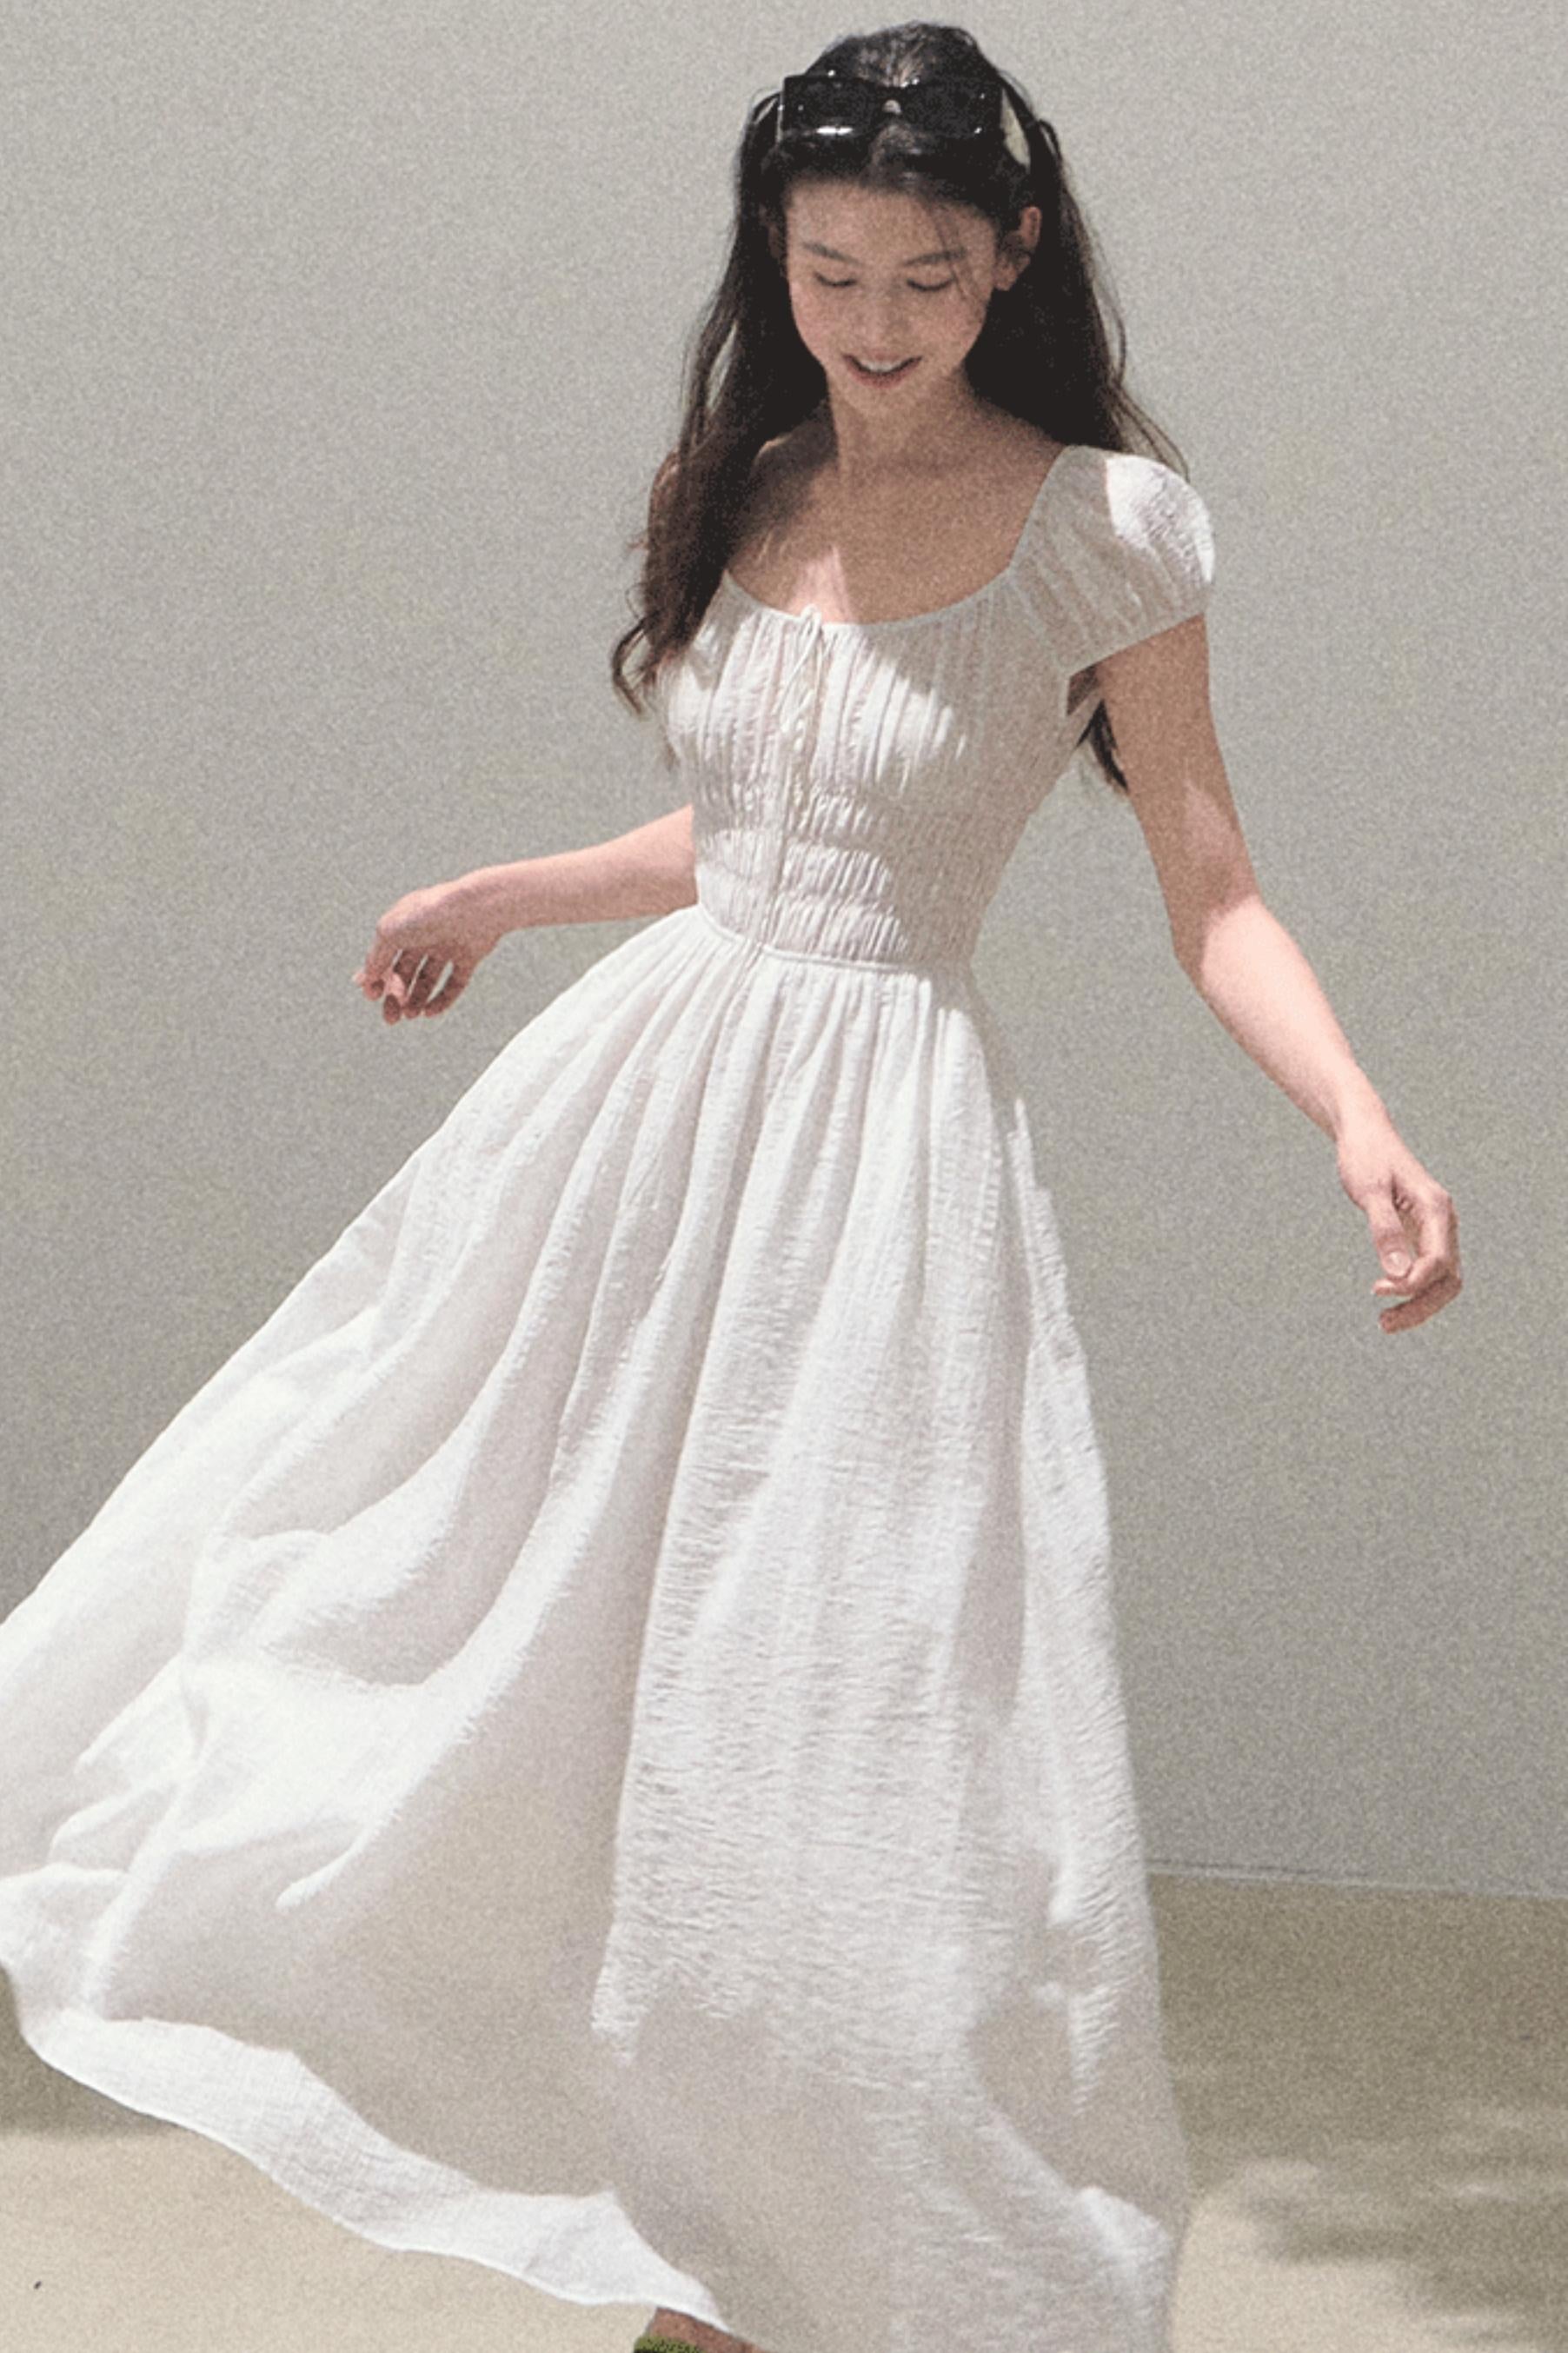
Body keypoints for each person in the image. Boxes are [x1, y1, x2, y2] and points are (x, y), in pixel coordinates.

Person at [0, 23, 1460, 2353]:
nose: (874, 324)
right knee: (499, 1649)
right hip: (641, 1134)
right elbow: (763, 821)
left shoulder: (1103, 529)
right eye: (828, 272)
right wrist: (505, 894)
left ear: (1015, 261)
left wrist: (1355, 1115)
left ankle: (808, 2275)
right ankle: (693, 2266)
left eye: (926, 279)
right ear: (770, 259)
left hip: (872, 1184)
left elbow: (1210, 885)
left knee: (831, 1734)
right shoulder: (747, 479)